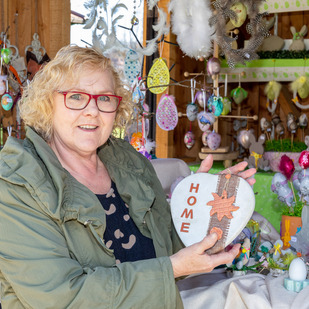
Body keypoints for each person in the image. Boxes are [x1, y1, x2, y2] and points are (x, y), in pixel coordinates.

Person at [0, 45, 256, 308]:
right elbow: (60, 297)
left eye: (105, 98)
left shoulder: (130, 164)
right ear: (47, 104)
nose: (92, 111)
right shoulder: (16, 183)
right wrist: (172, 269)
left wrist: (202, 210)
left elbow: (167, 254)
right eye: (76, 96)